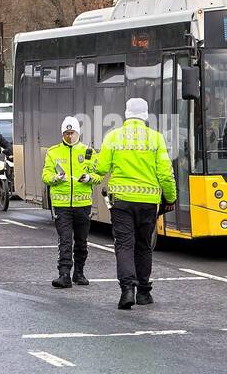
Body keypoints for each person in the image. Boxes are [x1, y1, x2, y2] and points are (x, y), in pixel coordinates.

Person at [93, 98, 177, 310]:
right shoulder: (156, 139)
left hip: (121, 202)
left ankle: (127, 290)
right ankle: (143, 293)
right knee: (143, 245)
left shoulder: (113, 137)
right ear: (145, 115)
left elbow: (101, 168)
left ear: (126, 114)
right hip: (148, 202)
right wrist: (171, 198)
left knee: (123, 244)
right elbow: (165, 174)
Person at [41, 116, 100, 289]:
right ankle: (64, 274)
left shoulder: (88, 152)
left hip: (83, 205)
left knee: (82, 241)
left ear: (78, 133)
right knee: (65, 240)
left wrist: (89, 177)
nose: (69, 136)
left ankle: (79, 273)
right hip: (62, 206)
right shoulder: (53, 152)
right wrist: (56, 178)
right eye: (66, 133)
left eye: (72, 133)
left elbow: (98, 175)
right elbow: (45, 176)